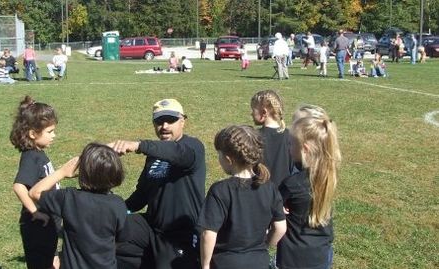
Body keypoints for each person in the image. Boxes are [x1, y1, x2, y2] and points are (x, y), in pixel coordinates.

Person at [111, 98, 206, 269]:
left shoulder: (193, 147)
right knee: (110, 230)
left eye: (171, 120)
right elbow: (142, 195)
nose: (165, 126)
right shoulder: (154, 154)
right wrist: (117, 212)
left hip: (179, 233)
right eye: (159, 121)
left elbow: (178, 154)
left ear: (183, 121)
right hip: (151, 226)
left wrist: (138, 145)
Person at [198, 125, 287, 269]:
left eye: (219, 154)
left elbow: (208, 233)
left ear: (228, 159)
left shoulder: (220, 190)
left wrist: (205, 265)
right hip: (259, 262)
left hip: (226, 262)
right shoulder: (269, 188)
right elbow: (280, 228)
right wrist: (264, 245)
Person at [29, 143, 127, 269]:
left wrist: (62, 172)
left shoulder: (69, 198)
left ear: (83, 171)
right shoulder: (118, 204)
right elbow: (121, 239)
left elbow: (34, 192)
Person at [276, 112, 341, 269]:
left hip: (293, 257)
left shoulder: (292, 184)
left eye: (291, 143)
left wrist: (278, 207)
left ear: (304, 149)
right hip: (320, 254)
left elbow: (271, 209)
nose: (289, 147)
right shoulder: (328, 177)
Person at [10, 96, 59, 269]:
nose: (54, 135)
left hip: (48, 223)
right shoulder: (31, 156)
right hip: (37, 226)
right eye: (50, 131)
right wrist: (36, 211)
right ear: (33, 134)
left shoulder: (39, 152)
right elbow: (19, 186)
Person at [250, 90, 293, 188]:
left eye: (253, 110)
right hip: (284, 194)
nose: (251, 114)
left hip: (260, 193)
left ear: (264, 112)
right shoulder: (290, 136)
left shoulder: (255, 137)